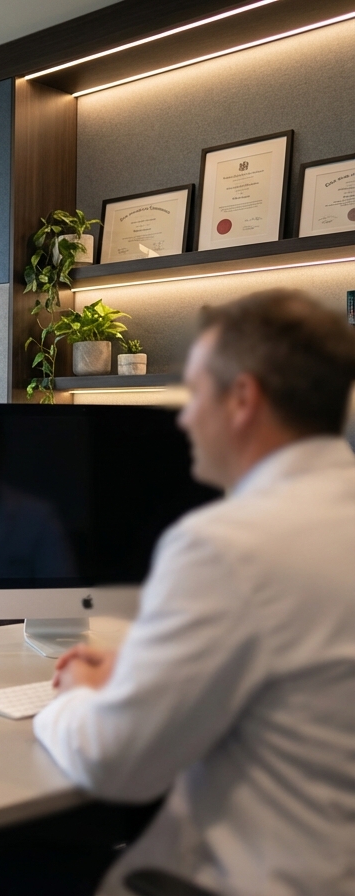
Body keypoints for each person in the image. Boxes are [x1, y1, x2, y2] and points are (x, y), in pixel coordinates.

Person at [33, 290, 355, 895]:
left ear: (242, 399)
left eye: (195, 392)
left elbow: (115, 760)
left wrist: (69, 698)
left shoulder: (226, 544)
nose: (182, 418)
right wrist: (140, 670)